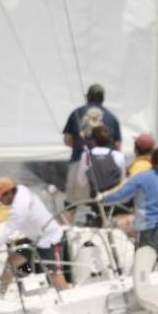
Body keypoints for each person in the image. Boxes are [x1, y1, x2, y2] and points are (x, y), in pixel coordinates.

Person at [0, 178, 69, 294]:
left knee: (54, 274)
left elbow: (5, 235)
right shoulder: (22, 189)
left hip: (50, 239)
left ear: (9, 193)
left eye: (1, 198)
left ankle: (67, 296)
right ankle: (1, 295)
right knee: (11, 263)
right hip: (34, 239)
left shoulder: (17, 210)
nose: (0, 201)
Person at [100, 147, 158, 270]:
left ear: (152, 159)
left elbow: (121, 194)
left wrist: (102, 199)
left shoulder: (141, 178)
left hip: (149, 227)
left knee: (144, 265)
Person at [62, 84, 122, 222]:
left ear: (87, 96)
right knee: (103, 205)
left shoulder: (76, 113)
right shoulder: (112, 117)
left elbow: (67, 140)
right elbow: (118, 146)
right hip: (106, 167)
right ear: (103, 98)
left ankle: (65, 230)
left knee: (71, 204)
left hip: (79, 161)